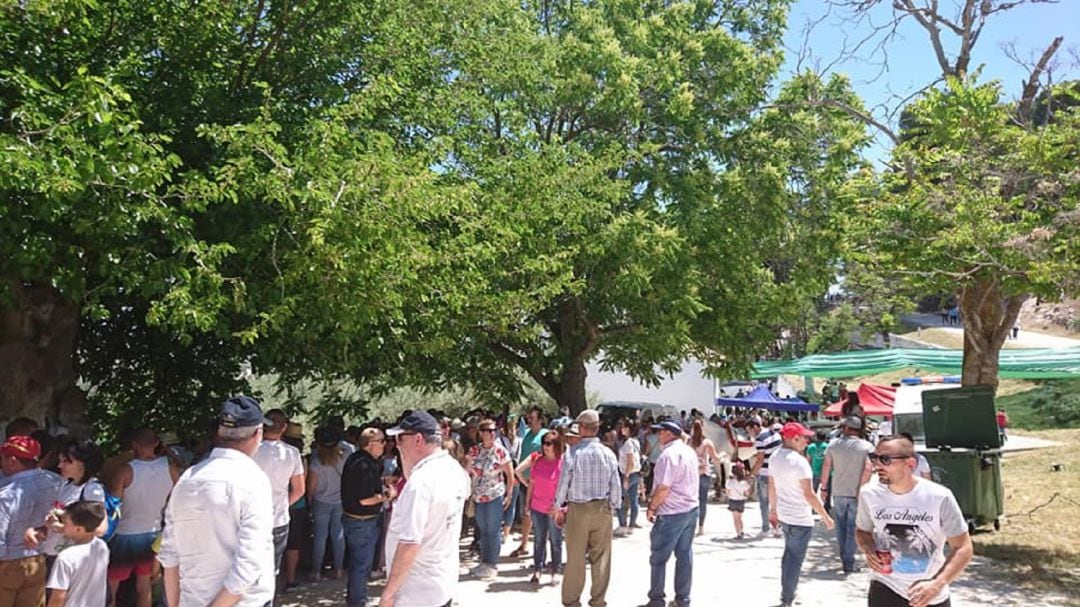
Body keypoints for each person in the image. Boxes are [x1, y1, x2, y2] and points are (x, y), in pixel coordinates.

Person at [159, 395, 274, 607]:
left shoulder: (188, 479)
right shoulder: (254, 481)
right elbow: (248, 566)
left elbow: (169, 556)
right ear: (258, 434)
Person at [856, 435, 973, 607]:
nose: (877, 465)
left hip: (930, 592)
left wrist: (936, 584)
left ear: (910, 464)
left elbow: (963, 547)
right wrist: (868, 549)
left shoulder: (939, 496)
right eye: (874, 457)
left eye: (885, 459)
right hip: (886, 587)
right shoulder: (869, 494)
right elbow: (862, 530)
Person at [381, 411, 470, 607]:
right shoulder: (454, 469)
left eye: (400, 438)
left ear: (418, 440)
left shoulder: (419, 484)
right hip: (441, 583)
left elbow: (410, 544)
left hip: (416, 594)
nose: (397, 444)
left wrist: (388, 595)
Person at [553, 410, 621, 607]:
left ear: (581, 428)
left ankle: (572, 601)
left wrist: (558, 507)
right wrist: (613, 506)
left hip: (578, 509)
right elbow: (615, 484)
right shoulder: (608, 453)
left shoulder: (573, 453)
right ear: (597, 428)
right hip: (602, 508)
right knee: (601, 557)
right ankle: (598, 601)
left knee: (575, 558)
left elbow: (564, 483)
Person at [107, 428, 179, 607]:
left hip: (124, 533)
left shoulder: (125, 471)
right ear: (156, 444)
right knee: (144, 584)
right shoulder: (170, 469)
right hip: (153, 532)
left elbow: (113, 506)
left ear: (134, 444)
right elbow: (176, 500)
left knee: (111, 586)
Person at [768, 422, 835, 607]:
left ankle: (787, 593)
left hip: (785, 515)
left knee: (788, 556)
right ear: (793, 438)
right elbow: (809, 494)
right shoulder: (799, 462)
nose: (807, 440)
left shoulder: (774, 457)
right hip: (800, 518)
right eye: (803, 437)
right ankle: (787, 597)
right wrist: (825, 516)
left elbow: (772, 486)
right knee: (795, 559)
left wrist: (773, 510)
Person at [0, 435, 62, 607]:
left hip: (7, 565)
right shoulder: (55, 482)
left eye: (2, 459)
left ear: (12, 461)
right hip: (36, 561)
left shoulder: (6, 496)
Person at [643, 420, 699, 607]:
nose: (658, 435)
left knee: (658, 557)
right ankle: (683, 599)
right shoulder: (689, 451)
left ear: (668, 433)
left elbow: (664, 488)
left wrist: (652, 508)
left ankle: (656, 599)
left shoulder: (668, 455)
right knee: (684, 555)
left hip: (671, 512)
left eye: (660, 432)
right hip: (690, 509)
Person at [341, 427, 393, 607]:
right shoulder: (363, 465)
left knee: (359, 564)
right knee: (361, 565)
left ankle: (356, 598)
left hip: (356, 520)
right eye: (381, 441)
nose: (385, 445)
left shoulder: (357, 459)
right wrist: (387, 496)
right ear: (370, 444)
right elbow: (364, 500)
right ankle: (357, 601)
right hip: (361, 522)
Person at [253, 409, 306, 583]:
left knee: (250, 566)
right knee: (272, 568)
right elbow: (299, 489)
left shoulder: (251, 451)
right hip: (279, 518)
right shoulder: (292, 453)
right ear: (284, 427)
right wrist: (284, 504)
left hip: (251, 516)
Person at [820, 416, 874, 574]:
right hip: (857, 494)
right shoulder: (867, 447)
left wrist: (823, 488)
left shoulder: (833, 445)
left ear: (845, 428)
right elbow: (869, 469)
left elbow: (826, 466)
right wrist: (861, 489)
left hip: (838, 492)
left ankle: (845, 558)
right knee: (853, 529)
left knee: (841, 528)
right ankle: (849, 561)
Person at [41, 440, 107, 568]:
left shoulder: (92, 490)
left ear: (83, 464)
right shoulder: (67, 485)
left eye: (66, 461)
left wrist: (59, 527)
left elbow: (100, 529)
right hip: (54, 553)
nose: (60, 465)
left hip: (74, 560)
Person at [466, 419, 514, 579]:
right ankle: (484, 562)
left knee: (493, 530)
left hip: (495, 495)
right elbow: (467, 470)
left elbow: (510, 474)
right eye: (487, 430)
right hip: (479, 496)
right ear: (481, 433)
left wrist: (509, 494)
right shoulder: (475, 451)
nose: (491, 433)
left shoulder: (500, 451)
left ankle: (492, 564)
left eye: (494, 430)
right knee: (483, 530)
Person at [514, 430, 564, 584]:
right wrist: (527, 504)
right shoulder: (538, 461)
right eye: (544, 443)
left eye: (549, 443)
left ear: (556, 445)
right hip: (537, 506)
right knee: (539, 540)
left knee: (555, 541)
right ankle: (537, 569)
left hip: (553, 509)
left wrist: (559, 508)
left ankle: (556, 570)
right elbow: (532, 484)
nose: (545, 446)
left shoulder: (562, 463)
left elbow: (565, 489)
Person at [45, 501, 108, 607]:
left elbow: (58, 598)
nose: (63, 526)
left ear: (79, 529)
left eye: (66, 523)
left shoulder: (66, 557)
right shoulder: (101, 547)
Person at [307, 426, 347, 581]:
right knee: (338, 535)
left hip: (321, 501)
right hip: (340, 500)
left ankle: (316, 571)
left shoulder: (316, 462)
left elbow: (311, 486)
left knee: (320, 536)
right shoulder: (344, 458)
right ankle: (338, 569)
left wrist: (310, 501)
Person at [510, 407, 548, 558]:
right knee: (526, 514)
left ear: (539, 419)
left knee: (539, 516)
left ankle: (541, 549)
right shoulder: (525, 434)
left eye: (532, 418)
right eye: (528, 418)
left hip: (538, 482)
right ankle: (524, 544)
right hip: (524, 480)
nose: (529, 420)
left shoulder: (545, 435)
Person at [281, 423, 308, 592]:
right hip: (297, 504)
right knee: (293, 543)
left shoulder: (274, 453)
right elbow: (303, 484)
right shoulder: (300, 457)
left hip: (274, 503)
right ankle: (290, 579)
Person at [748, 417, 782, 537]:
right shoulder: (775, 434)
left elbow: (760, 460)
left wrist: (750, 474)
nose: (749, 433)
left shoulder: (760, 439)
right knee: (776, 502)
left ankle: (766, 529)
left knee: (764, 502)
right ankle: (778, 527)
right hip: (778, 473)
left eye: (750, 430)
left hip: (765, 474)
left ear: (755, 427)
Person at [689, 419, 722, 536]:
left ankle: (690, 525)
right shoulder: (707, 442)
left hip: (692, 474)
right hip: (704, 473)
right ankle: (701, 527)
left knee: (691, 501)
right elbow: (715, 458)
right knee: (703, 501)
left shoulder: (688, 442)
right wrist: (722, 456)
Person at [614, 419, 642, 537]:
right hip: (636, 474)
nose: (622, 429)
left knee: (620, 499)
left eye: (625, 427)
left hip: (628, 474)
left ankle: (623, 525)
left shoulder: (628, 444)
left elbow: (630, 462)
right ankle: (631, 525)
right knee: (633, 499)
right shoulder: (636, 442)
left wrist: (626, 477)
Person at [725, 463, 751, 539]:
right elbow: (747, 492)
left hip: (733, 500)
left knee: (735, 518)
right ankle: (742, 530)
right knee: (740, 517)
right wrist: (745, 495)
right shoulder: (743, 483)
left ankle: (738, 533)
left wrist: (729, 495)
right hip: (741, 501)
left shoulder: (729, 482)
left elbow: (727, 492)